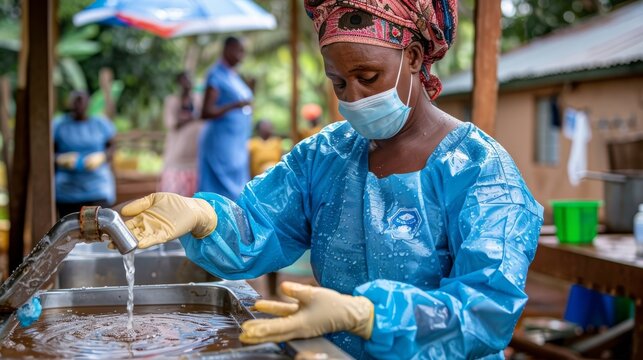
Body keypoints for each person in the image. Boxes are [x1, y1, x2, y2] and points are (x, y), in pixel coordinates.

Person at [120, 1, 544, 358]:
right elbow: (257, 228)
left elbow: (488, 309)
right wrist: (205, 217)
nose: (353, 97)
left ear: (413, 57)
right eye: (338, 82)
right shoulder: (327, 155)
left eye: (368, 77)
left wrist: (372, 317)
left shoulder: (481, 172)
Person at [199, 36, 253, 200]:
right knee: (220, 192)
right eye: (238, 51)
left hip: (236, 144)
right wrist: (234, 105)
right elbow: (206, 112)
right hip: (221, 144)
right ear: (227, 49)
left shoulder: (234, 76)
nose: (241, 56)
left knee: (238, 190)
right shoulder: (216, 75)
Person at [54, 91, 116, 217]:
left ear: (88, 104)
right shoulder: (59, 125)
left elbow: (112, 147)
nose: (78, 106)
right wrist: (59, 159)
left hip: (97, 188)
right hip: (67, 190)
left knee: (98, 228)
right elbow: (49, 152)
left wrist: (102, 156)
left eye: (81, 101)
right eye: (75, 102)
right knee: (70, 230)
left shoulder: (100, 124)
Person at [159, 72, 203, 197]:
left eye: (189, 80)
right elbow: (171, 123)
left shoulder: (198, 100)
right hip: (175, 162)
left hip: (195, 162)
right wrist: (193, 117)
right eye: (184, 80)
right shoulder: (172, 101)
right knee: (173, 200)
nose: (187, 83)